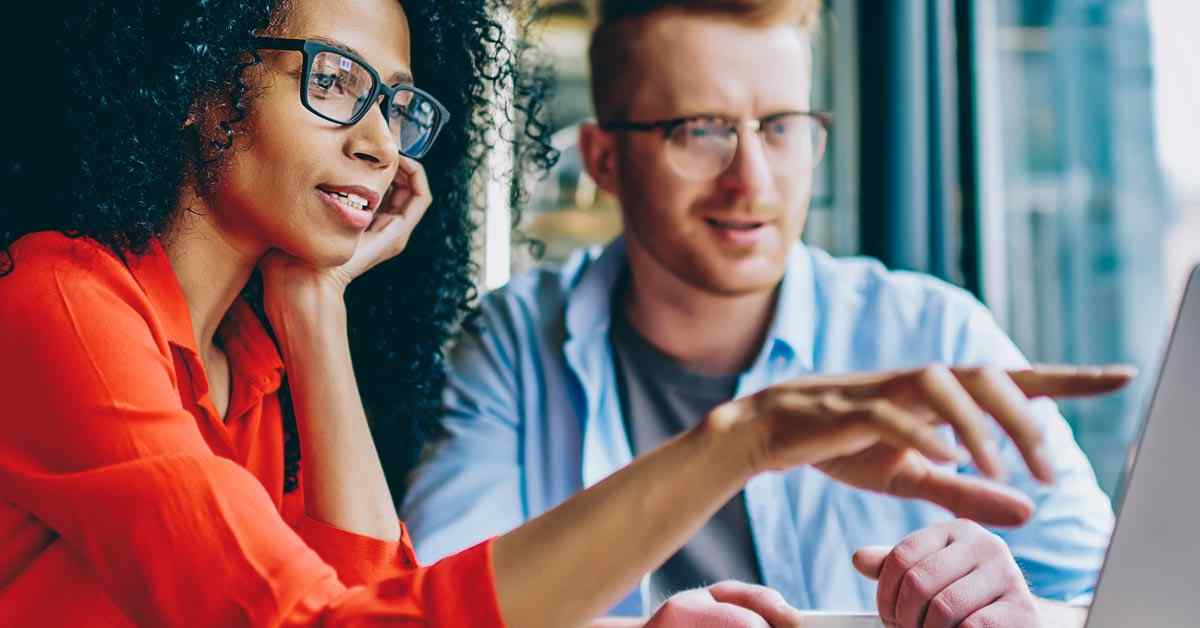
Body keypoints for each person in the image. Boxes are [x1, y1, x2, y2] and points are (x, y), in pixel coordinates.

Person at [401, 1, 1130, 626]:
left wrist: (1022, 611)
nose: (751, 181)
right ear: (604, 160)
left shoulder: (934, 333)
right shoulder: (515, 344)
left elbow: (1121, 602)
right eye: (701, 129)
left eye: (781, 127)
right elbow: (436, 608)